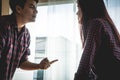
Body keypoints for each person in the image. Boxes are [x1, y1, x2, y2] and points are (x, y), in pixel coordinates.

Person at [0, 0, 58, 80]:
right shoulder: (2, 25)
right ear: (19, 9)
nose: (36, 11)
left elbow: (22, 62)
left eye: (36, 7)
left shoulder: (26, 35)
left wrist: (39, 66)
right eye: (32, 7)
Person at [74, 0, 120, 80]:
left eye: (78, 7)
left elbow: (84, 66)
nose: (76, 13)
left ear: (87, 7)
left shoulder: (96, 24)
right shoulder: (106, 23)